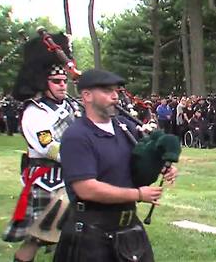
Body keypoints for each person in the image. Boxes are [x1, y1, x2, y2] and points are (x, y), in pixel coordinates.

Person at [53, 69, 178, 262]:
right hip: (91, 233)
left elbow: (138, 158)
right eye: (107, 91)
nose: (115, 97)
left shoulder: (124, 126)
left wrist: (162, 165)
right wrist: (138, 195)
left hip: (129, 229)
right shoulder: (77, 136)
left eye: (116, 91)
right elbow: (86, 189)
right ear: (86, 95)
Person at [2, 33, 79, 262]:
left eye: (64, 81)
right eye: (56, 82)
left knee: (69, 238)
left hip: (72, 179)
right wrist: (83, 157)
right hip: (46, 181)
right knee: (35, 239)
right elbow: (49, 147)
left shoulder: (73, 106)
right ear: (42, 82)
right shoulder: (34, 112)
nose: (62, 85)